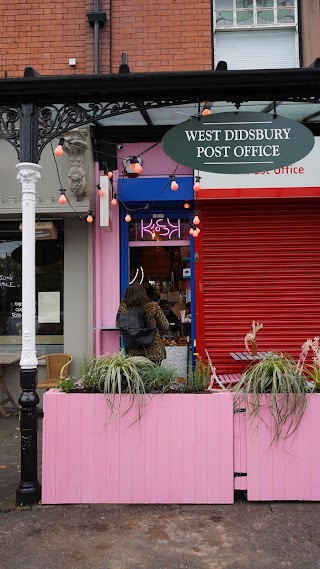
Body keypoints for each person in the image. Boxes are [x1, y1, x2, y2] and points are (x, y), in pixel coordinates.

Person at [117, 281, 169, 364]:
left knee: (136, 376)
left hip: (133, 352)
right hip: (153, 351)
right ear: (143, 293)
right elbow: (165, 326)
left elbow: (118, 325)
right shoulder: (152, 306)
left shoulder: (124, 309)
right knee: (154, 376)